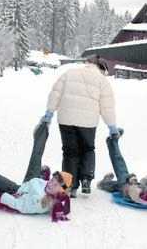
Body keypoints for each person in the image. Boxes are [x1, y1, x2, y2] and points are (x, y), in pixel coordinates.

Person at [38, 55, 119, 198]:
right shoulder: (102, 81)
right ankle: (86, 179)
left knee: (69, 152)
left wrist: (49, 113)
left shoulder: (69, 74)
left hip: (66, 120)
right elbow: (107, 107)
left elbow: (55, 94)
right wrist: (112, 127)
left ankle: (70, 186)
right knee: (88, 149)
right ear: (101, 68)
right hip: (88, 122)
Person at [0, 123, 73, 222]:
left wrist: (3, 197)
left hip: (20, 191)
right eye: (52, 180)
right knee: (36, 156)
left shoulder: (40, 201)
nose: (50, 183)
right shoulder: (51, 191)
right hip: (31, 183)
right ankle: (43, 127)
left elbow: (21, 206)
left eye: (55, 184)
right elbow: (47, 186)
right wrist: (43, 178)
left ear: (61, 191)